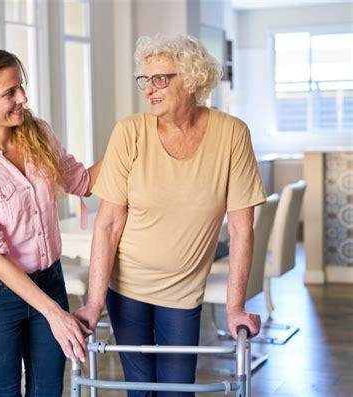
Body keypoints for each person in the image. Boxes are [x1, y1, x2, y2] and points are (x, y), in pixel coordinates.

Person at [75, 34, 266, 396]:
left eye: (161, 79)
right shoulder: (130, 132)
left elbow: (242, 229)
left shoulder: (232, 135)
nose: (149, 89)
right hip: (126, 287)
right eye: (145, 80)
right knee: (141, 389)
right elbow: (109, 223)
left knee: (177, 390)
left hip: (183, 291)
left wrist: (235, 307)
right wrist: (95, 302)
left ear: (193, 81)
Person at [0, 48, 100, 397]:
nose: (23, 98)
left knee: (48, 391)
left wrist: (131, 141)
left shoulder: (39, 133)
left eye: (21, 86)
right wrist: (55, 314)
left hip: (49, 280)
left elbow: (81, 182)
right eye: (9, 93)